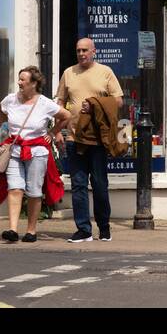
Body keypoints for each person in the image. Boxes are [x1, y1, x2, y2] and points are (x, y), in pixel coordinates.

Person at [55, 37, 123, 243]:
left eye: (85, 50)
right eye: (78, 50)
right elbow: (59, 102)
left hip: (98, 139)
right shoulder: (68, 73)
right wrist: (57, 130)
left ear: (94, 51)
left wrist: (95, 105)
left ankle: (104, 227)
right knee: (77, 185)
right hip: (74, 138)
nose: (81, 54)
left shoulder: (105, 72)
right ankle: (83, 229)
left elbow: (118, 101)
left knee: (100, 184)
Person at [0, 67, 70, 243]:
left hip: (37, 151)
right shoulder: (11, 100)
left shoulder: (44, 103)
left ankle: (31, 230)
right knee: (14, 188)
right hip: (14, 149)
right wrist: (1, 122)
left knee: (34, 191)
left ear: (34, 83)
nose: (19, 82)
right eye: (19, 79)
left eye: (23, 80)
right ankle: (12, 229)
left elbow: (67, 115)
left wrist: (52, 132)